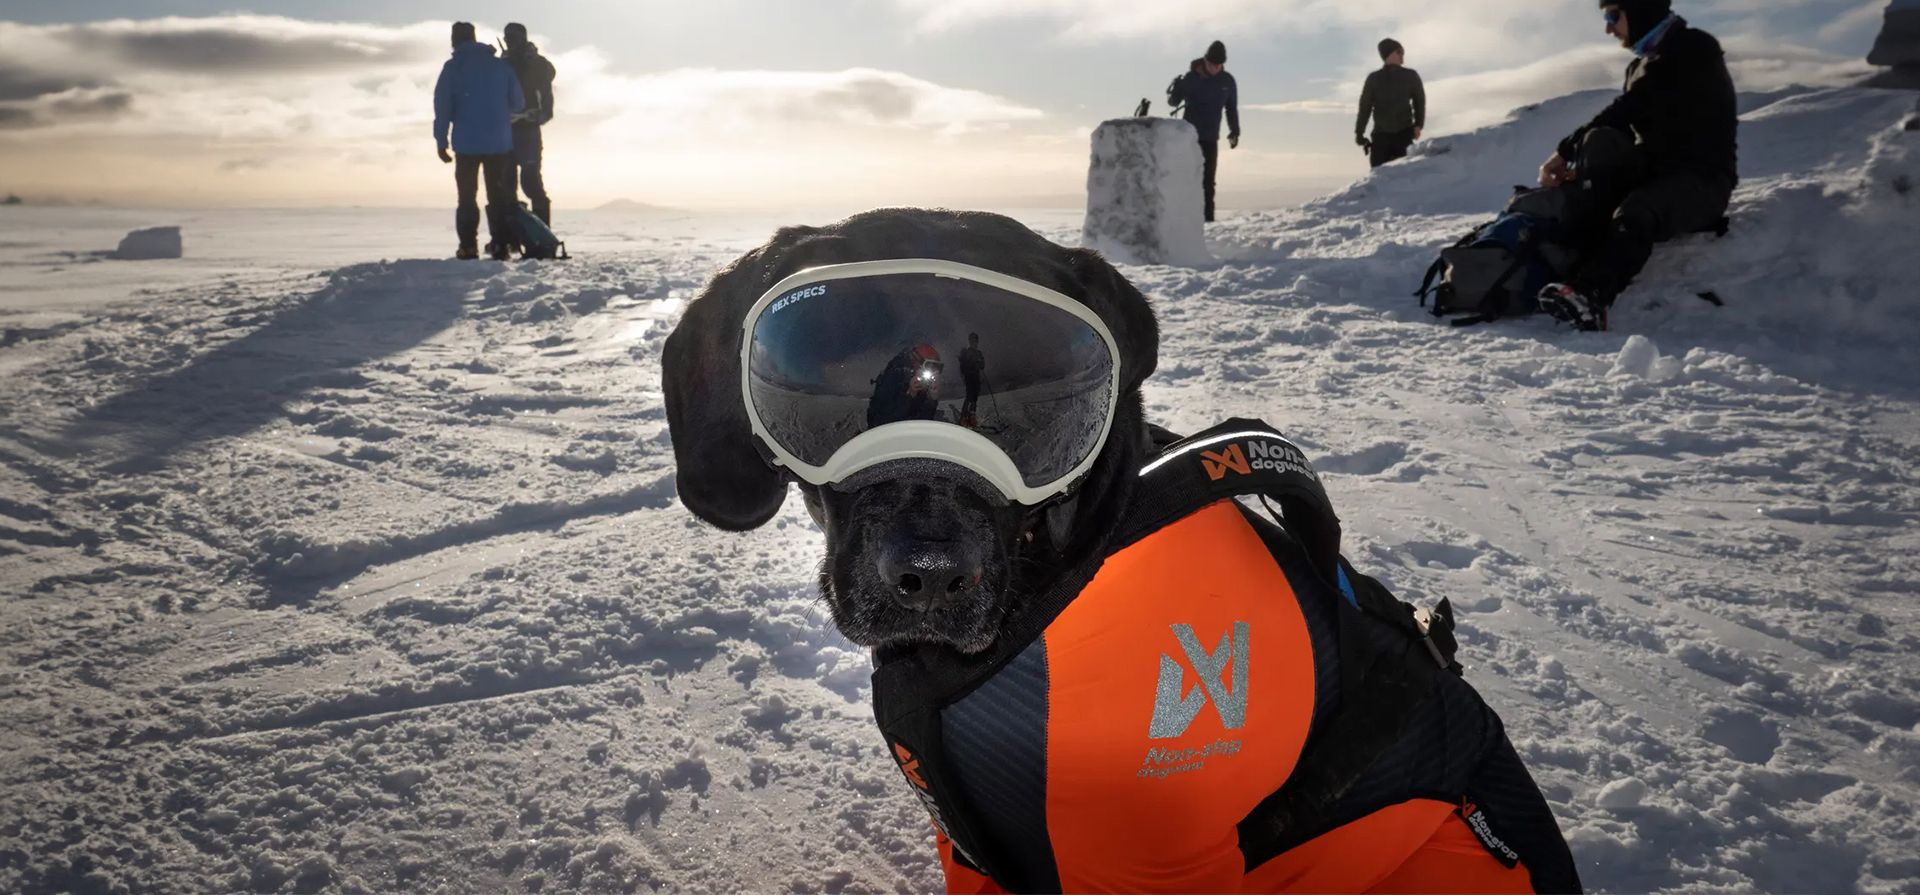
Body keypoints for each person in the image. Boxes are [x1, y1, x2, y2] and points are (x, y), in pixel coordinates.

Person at [1535, 0, 1737, 331]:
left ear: (1641, 9)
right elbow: (1620, 127)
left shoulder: (1694, 47)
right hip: (1655, 168)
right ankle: (1563, 258)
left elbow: (1634, 104)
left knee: (1637, 210)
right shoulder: (1638, 66)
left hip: (1702, 178)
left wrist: (1562, 153)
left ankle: (1591, 296)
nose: (1608, 28)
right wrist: (1583, 166)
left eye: (1613, 16)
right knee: (1600, 142)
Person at [433, 21, 524, 260]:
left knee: (467, 196)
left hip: (466, 144)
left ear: (454, 41)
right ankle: (500, 245)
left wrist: (441, 141)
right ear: (474, 38)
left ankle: (468, 246)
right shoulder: (500, 67)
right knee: (498, 195)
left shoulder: (453, 68)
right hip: (499, 143)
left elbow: (442, 107)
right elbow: (518, 103)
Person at [1169, 41, 1240, 223]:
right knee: (1186, 180)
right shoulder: (1192, 78)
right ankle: (1183, 222)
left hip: (1210, 138)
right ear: (1205, 60)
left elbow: (1231, 108)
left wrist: (1234, 131)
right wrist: (1177, 88)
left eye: (1218, 65)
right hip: (1188, 138)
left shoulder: (1228, 81)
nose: (1215, 68)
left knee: (1208, 182)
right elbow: (1173, 102)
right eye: (1211, 64)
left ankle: (1208, 223)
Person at [502, 23, 557, 227]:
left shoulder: (537, 64)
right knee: (505, 185)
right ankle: (509, 237)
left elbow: (548, 97)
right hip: (505, 133)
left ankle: (543, 239)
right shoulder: (503, 64)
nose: (510, 40)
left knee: (531, 182)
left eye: (514, 37)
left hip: (528, 133)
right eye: (507, 37)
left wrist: (539, 116)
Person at [1356, 38, 1426, 168]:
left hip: (1404, 134)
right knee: (1378, 178)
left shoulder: (1411, 75)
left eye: (1403, 52)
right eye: (1399, 52)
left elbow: (1419, 101)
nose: (1402, 55)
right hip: (1380, 137)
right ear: (1389, 54)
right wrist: (1359, 133)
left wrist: (1418, 125)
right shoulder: (1374, 78)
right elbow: (1365, 107)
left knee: (1405, 177)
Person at [959, 333, 986, 426]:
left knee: (974, 398)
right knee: (969, 397)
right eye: (972, 340)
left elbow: (982, 365)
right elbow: (963, 367)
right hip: (969, 377)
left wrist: (979, 363)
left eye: (975, 340)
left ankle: (972, 416)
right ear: (970, 341)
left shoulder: (979, 353)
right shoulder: (966, 352)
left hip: (976, 378)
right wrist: (971, 364)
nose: (974, 342)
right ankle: (963, 417)